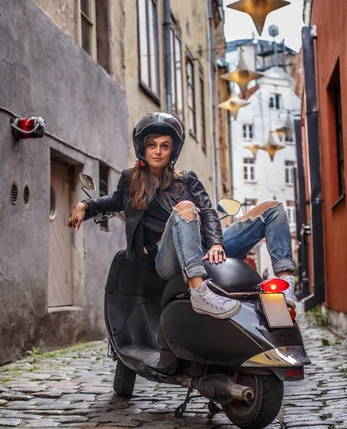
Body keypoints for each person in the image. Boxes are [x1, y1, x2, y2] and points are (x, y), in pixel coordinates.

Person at [68, 112, 295, 316]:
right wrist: (85, 206)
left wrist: (216, 243)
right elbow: (114, 201)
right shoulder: (130, 180)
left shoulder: (187, 179)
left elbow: (207, 210)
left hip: (204, 248)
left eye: (165, 146)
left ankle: (286, 284)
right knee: (185, 208)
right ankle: (199, 292)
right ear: (143, 149)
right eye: (152, 145)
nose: (158, 151)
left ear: (172, 151)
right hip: (167, 259)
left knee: (272, 208)